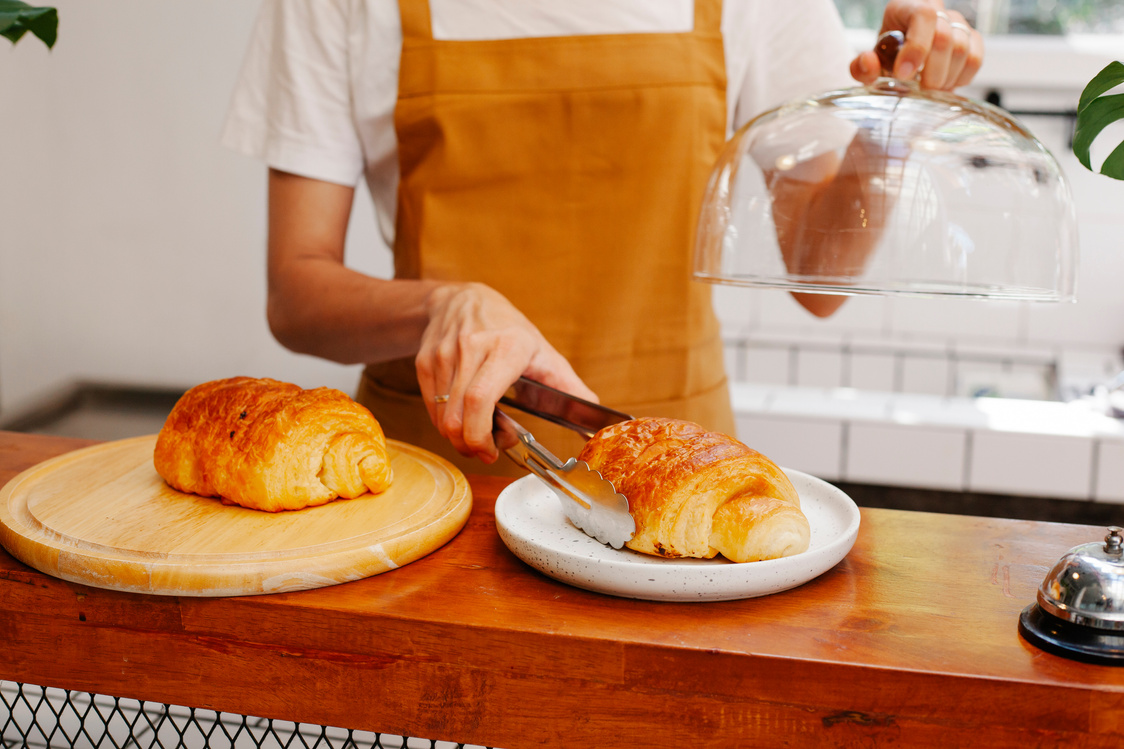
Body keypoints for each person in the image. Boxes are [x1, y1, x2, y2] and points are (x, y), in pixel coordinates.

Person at [222, 0, 983, 477]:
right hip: (434, 481)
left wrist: (893, 119)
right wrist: (442, 306)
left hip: (672, 477)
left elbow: (819, 283)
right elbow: (296, 291)